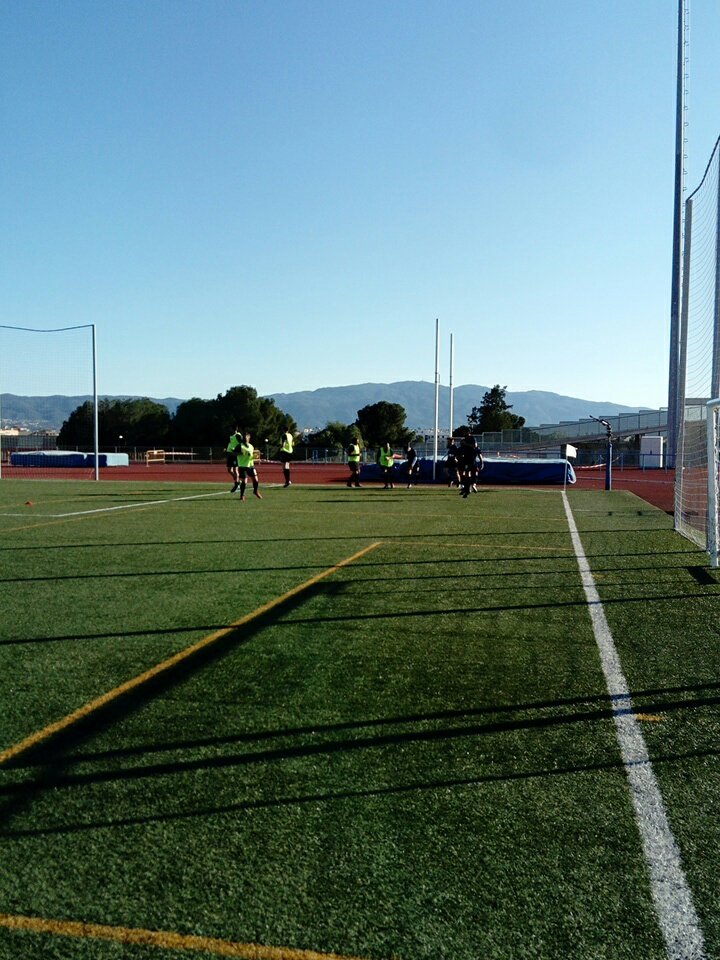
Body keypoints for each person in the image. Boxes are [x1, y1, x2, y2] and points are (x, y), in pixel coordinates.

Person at [237, 432, 263, 500]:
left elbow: (251, 456)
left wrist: (257, 457)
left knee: (256, 480)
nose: (245, 438)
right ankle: (242, 495)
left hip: (250, 465)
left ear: (249, 438)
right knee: (244, 481)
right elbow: (233, 453)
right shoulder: (240, 445)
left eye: (247, 437)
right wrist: (240, 453)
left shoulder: (251, 446)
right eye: (244, 437)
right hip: (242, 465)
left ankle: (255, 491)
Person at [459, 432, 483, 498]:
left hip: (470, 461)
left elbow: (475, 447)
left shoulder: (470, 441)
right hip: (469, 461)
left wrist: (481, 462)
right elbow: (479, 454)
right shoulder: (466, 444)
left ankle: (469, 488)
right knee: (469, 474)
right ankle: (470, 487)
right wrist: (481, 462)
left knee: (469, 474)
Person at [226, 427, 242, 492]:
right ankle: (237, 481)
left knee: (235, 470)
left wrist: (237, 450)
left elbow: (241, 443)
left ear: (236, 429)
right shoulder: (231, 436)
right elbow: (231, 443)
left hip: (234, 454)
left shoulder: (238, 435)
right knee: (229, 470)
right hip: (229, 454)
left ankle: (237, 484)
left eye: (233, 429)